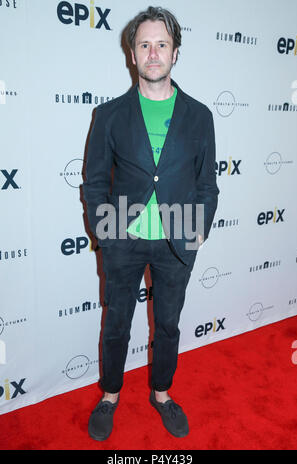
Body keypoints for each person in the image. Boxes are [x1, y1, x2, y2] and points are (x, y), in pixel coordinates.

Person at [83, 6, 219, 441]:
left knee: (169, 324)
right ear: (133, 53)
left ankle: (162, 393)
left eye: (162, 44)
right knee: (117, 321)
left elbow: (208, 184)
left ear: (176, 53)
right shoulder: (109, 115)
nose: (153, 53)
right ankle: (110, 395)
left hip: (177, 243)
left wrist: (198, 229)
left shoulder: (200, 116)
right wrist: (104, 231)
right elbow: (93, 182)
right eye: (145, 45)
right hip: (122, 241)